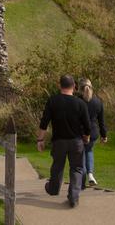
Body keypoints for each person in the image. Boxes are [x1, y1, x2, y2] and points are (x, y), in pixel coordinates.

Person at [37, 75, 92, 208]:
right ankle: (73, 196)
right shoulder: (80, 103)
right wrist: (86, 137)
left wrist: (40, 139)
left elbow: (44, 122)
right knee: (77, 169)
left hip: (59, 141)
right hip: (76, 141)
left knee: (57, 166)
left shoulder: (53, 101)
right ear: (74, 86)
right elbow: (87, 126)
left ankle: (53, 189)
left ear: (59, 85)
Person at [79, 78, 107, 188]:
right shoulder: (98, 101)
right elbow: (101, 121)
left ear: (80, 89)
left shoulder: (77, 101)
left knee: (81, 154)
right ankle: (90, 174)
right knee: (89, 151)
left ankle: (83, 177)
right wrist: (104, 135)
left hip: (80, 133)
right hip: (94, 132)